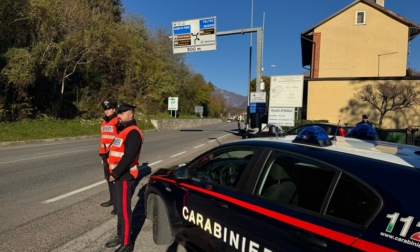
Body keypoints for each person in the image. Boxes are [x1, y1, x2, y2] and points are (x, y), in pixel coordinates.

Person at [105, 100, 144, 252]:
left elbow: (128, 157)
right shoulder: (123, 130)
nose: (119, 115)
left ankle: (127, 243)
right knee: (120, 211)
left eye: (121, 113)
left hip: (124, 177)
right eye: (118, 113)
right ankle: (121, 235)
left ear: (131, 113)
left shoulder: (133, 132)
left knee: (125, 211)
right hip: (118, 177)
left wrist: (114, 174)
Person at [99, 100, 119, 215]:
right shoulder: (104, 122)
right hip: (106, 155)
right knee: (108, 179)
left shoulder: (117, 121)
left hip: (115, 155)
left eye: (109, 108)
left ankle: (118, 205)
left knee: (115, 179)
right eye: (105, 109)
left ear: (114, 109)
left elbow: (120, 139)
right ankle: (112, 200)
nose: (107, 111)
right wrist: (103, 157)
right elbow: (103, 140)